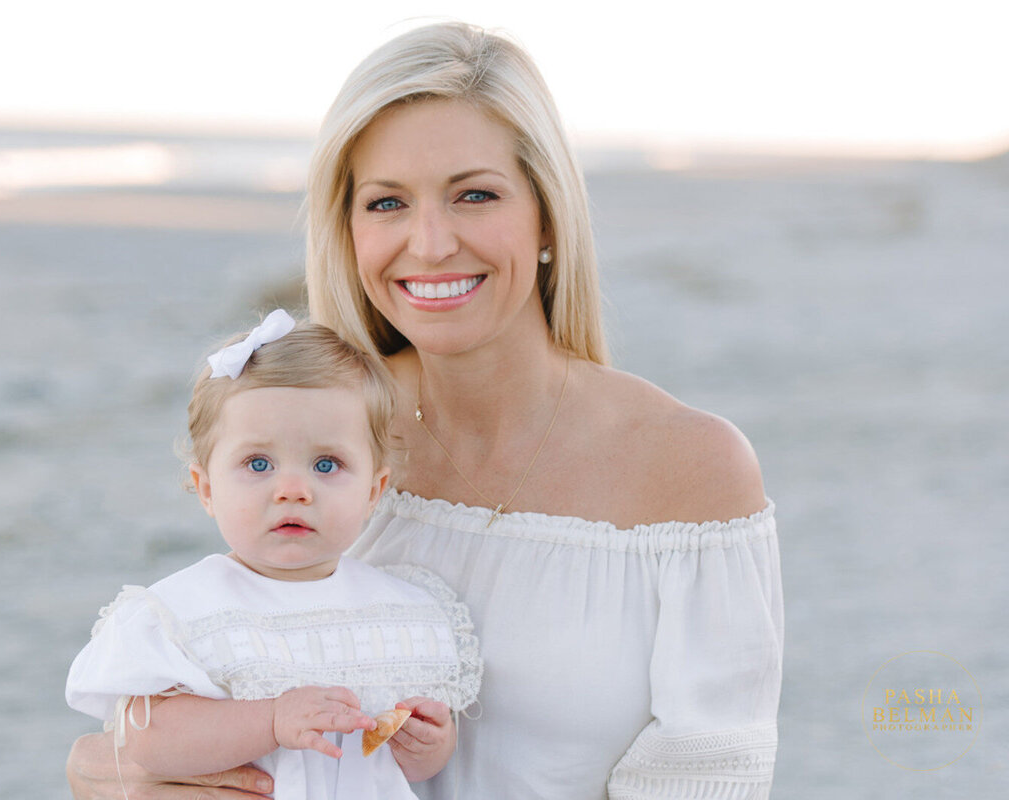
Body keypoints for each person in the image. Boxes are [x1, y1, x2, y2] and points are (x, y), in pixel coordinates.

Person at [68, 21, 783, 800]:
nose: (431, 242)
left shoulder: (688, 468)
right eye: (387, 203)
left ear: (548, 216)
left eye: (475, 195)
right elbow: (190, 693)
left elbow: (710, 777)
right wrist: (108, 774)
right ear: (347, 229)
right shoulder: (316, 441)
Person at [65, 312, 481, 800]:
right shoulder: (188, 611)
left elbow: (403, 771)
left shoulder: (398, 608)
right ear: (206, 488)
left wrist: (426, 747)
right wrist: (271, 719)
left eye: (327, 464)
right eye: (258, 464)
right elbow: (146, 741)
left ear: (374, 490)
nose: (293, 490)